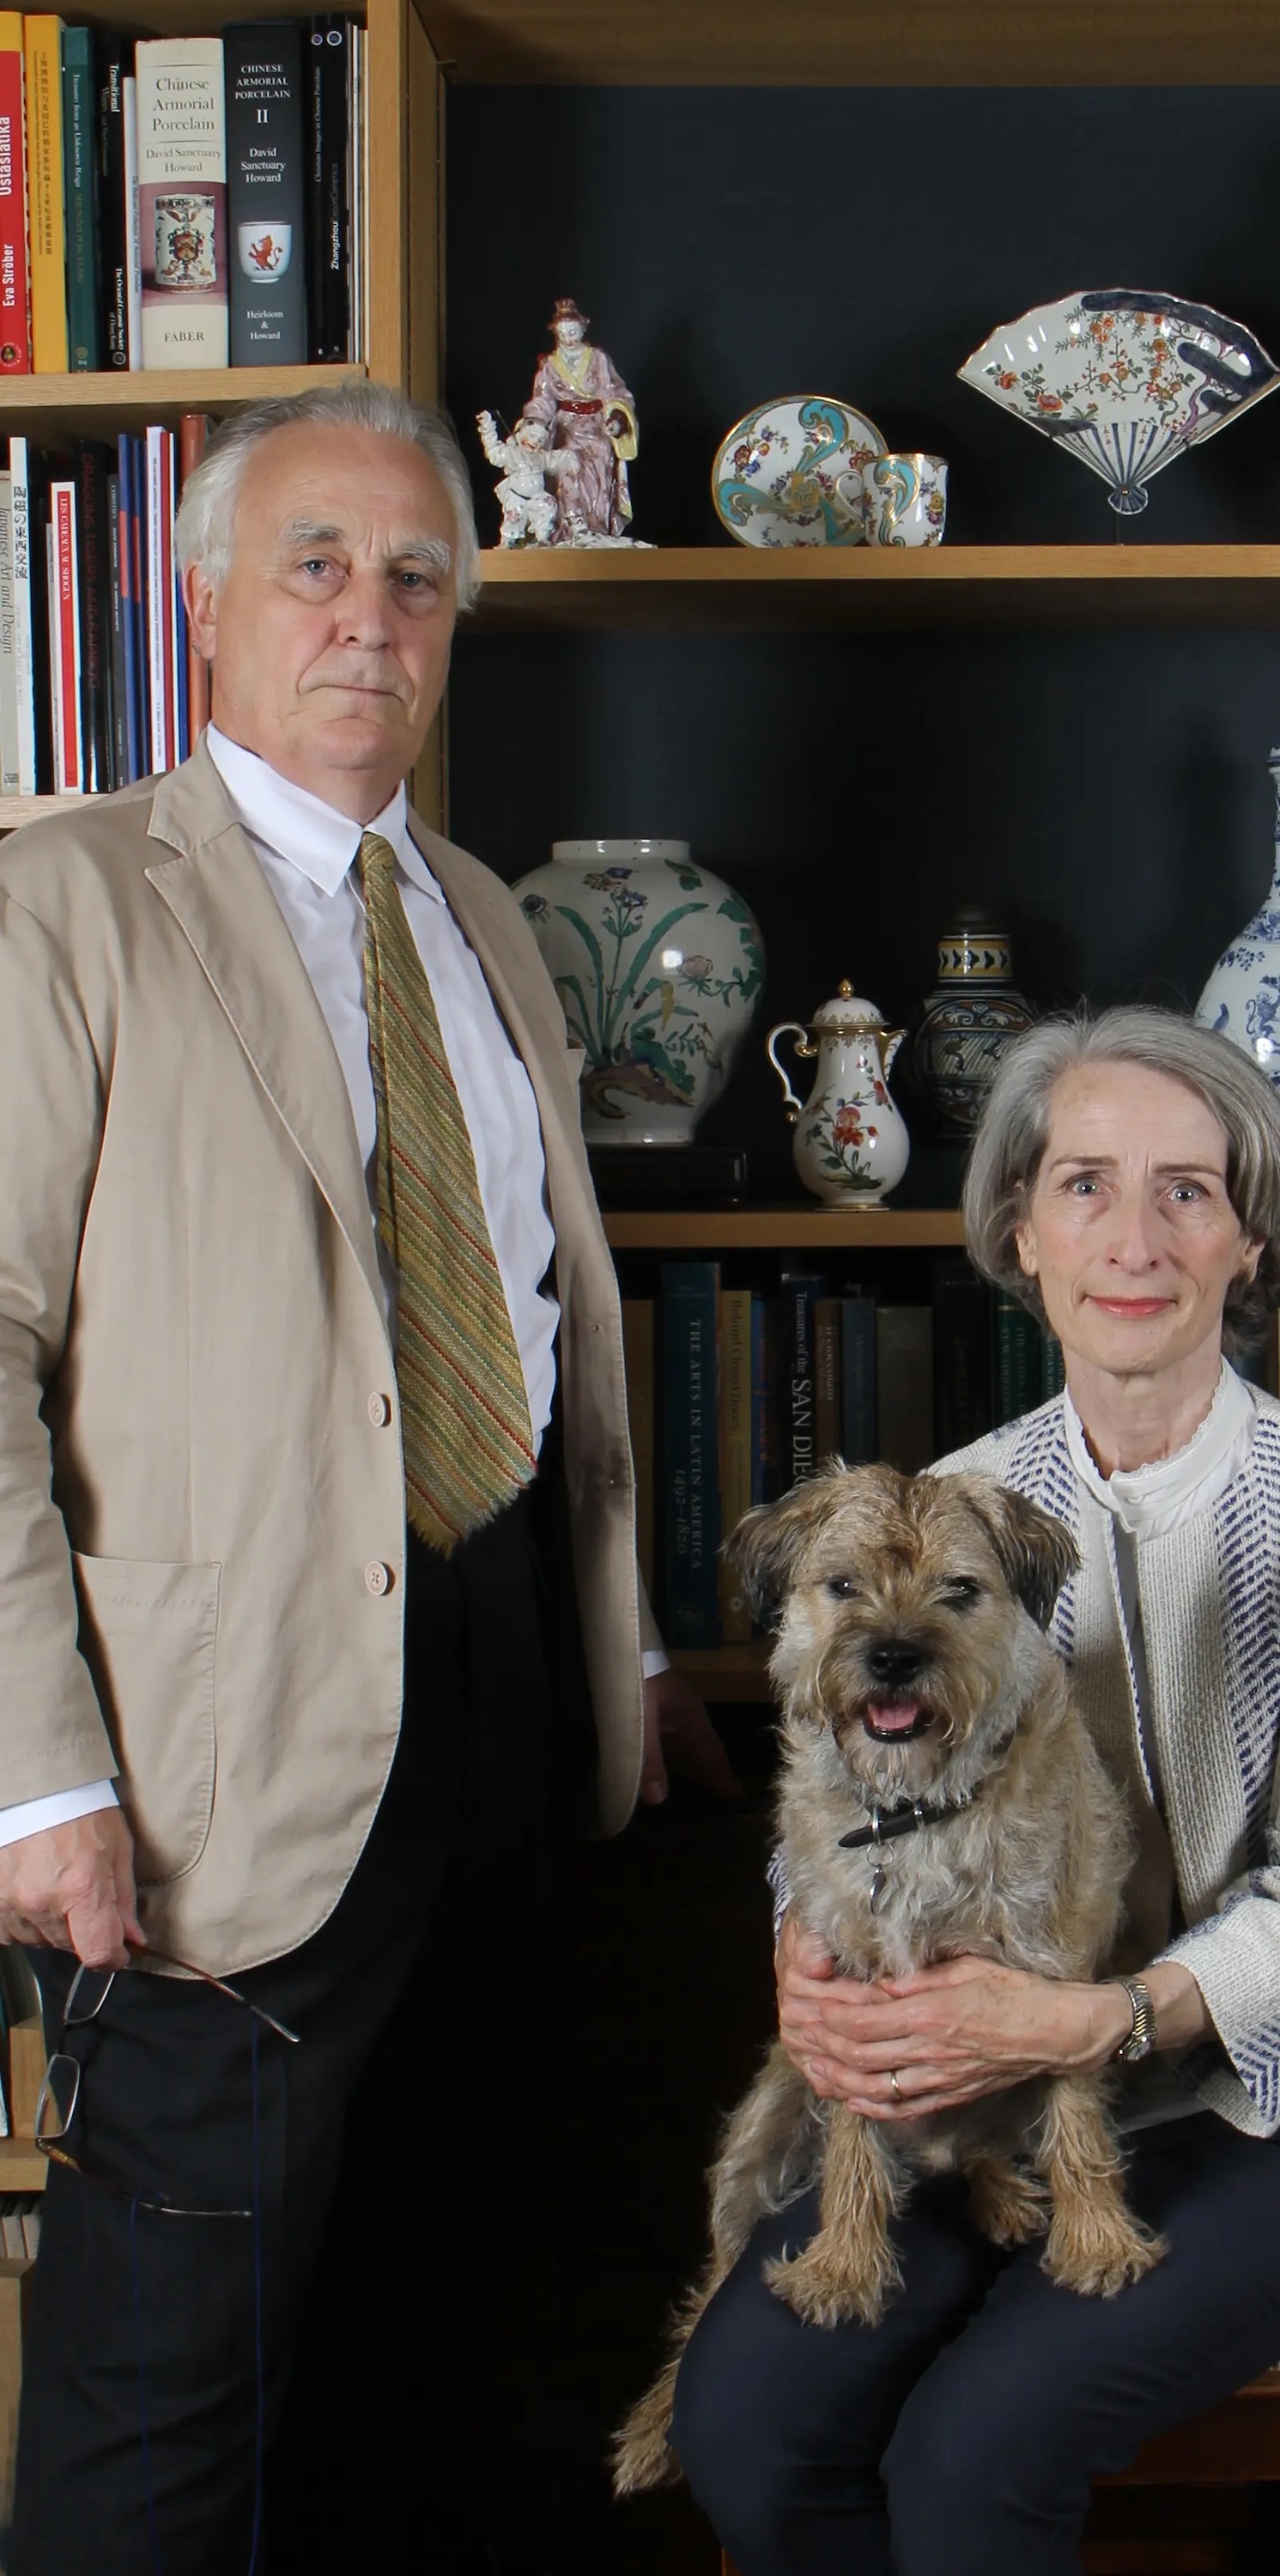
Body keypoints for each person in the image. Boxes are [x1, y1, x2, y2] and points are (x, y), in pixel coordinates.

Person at [0, 380, 730, 2576]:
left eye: (417, 578)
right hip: (215, 1759)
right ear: (205, 602)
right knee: (166, 2407)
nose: (368, 616)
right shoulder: (62, 906)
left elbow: (528, 1314)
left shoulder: (485, 919)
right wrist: (37, 1778)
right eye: (314, 565)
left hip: (504, 1707)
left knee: (436, 2344)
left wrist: (622, 1647)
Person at [672, 1006, 1280, 2576]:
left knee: (976, 2452)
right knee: (747, 2424)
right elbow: (831, 1784)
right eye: (1083, 1184)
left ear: (1251, 1240)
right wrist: (802, 1954)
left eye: (1185, 1192)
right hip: (964, 2101)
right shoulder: (942, 1511)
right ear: (1021, 1231)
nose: (1132, 1239)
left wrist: (1103, 2020)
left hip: (1260, 2110)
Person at [519, 296, 639, 544]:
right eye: (563, 333)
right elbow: (542, 399)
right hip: (566, 427)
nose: (569, 338)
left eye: (573, 332)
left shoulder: (598, 359)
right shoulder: (550, 366)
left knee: (600, 461)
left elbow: (614, 391)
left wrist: (616, 418)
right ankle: (571, 527)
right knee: (565, 463)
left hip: (596, 425)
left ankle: (597, 527)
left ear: (582, 329)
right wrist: (535, 421)